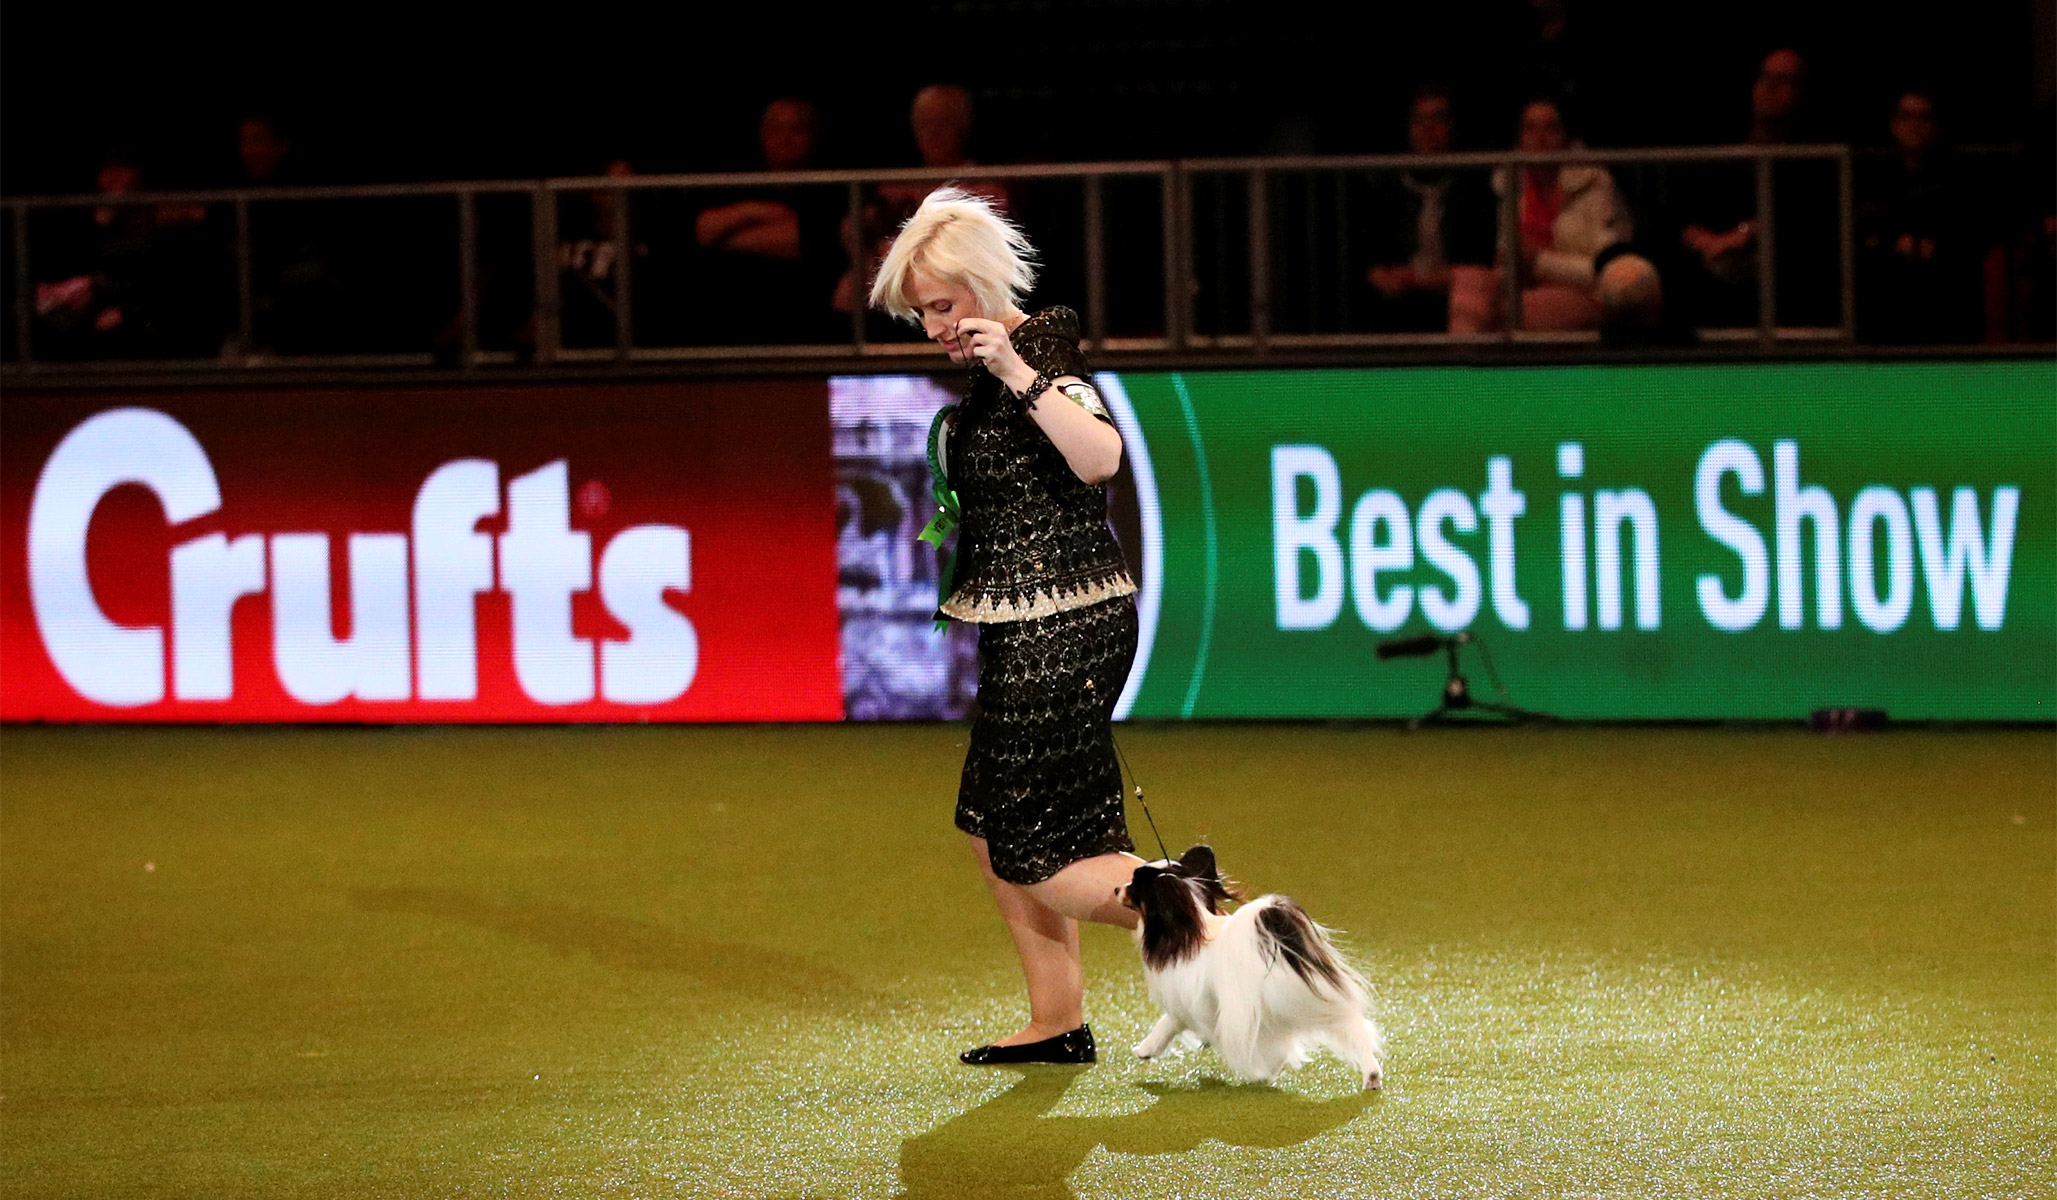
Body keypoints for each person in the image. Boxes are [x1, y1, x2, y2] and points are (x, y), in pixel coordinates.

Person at [868, 188, 1141, 1066]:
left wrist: (1018, 375)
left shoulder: (1043, 350)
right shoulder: (988, 372)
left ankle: (1213, 925)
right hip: (1028, 622)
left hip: (1064, 624)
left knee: (1031, 847)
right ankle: (1057, 1019)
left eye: (942, 306)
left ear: (983, 286)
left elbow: (1101, 459)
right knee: (990, 822)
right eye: (922, 314)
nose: (934, 328)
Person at [1449, 96, 1632, 333]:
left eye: (1550, 128)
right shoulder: (1509, 184)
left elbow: (1609, 271)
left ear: (1567, 137)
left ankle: (1466, 365)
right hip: (1521, 287)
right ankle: (1457, 368)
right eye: (1530, 128)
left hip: (1583, 293)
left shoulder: (1596, 185)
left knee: (1501, 313)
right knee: (1469, 280)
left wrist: (1539, 261)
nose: (1539, 138)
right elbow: (1504, 257)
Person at [691, 98, 845, 344]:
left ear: (813, 136)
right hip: (733, 319)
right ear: (762, 134)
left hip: (805, 319)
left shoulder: (832, 190)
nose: (785, 138)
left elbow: (808, 241)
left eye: (795, 130)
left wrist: (728, 239)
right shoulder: (737, 182)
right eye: (776, 129)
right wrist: (756, 211)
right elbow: (702, 231)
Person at [1354, 85, 1495, 332]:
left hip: (1455, 304)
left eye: (1438, 119)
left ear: (1453, 126)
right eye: (1419, 119)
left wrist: (1419, 280)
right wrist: (1381, 277)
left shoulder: (1475, 191)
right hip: (1396, 308)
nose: (1427, 129)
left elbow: (1479, 267)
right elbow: (1369, 258)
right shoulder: (1386, 189)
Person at [1856, 90, 1985, 344]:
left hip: (1942, 299)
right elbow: (1865, 232)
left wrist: (1934, 251)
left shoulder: (1958, 180)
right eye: (1906, 116)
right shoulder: (1873, 177)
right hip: (1885, 299)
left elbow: (1965, 243)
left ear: (1936, 125)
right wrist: (1893, 243)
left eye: (1923, 117)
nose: (1914, 125)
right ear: (1893, 123)